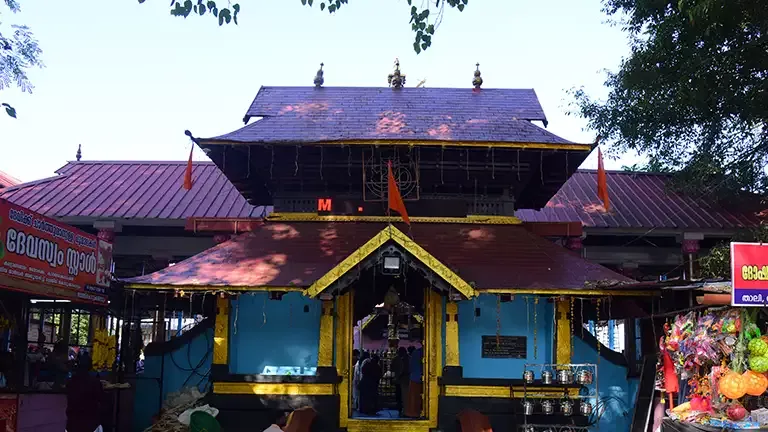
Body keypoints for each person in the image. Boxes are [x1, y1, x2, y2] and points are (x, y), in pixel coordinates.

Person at [66, 354, 104, 432]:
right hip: (89, 421)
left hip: (73, 421)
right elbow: (101, 399)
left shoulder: (71, 382)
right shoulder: (94, 382)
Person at [404, 346, 423, 418]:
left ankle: (412, 412)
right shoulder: (422, 352)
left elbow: (410, 366)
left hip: (414, 377)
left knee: (413, 397)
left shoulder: (416, 353)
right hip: (421, 377)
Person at [391, 347, 410, 415]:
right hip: (403, 379)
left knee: (400, 395)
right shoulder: (407, 358)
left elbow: (391, 368)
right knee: (402, 395)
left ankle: (401, 408)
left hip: (400, 379)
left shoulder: (397, 359)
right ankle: (402, 408)